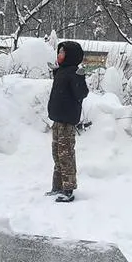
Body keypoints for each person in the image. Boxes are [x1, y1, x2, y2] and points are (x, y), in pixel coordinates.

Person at [47, 40, 88, 203]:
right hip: (57, 121)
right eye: (59, 52)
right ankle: (57, 186)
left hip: (67, 122)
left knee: (66, 155)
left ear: (70, 55)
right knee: (57, 154)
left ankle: (68, 189)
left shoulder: (74, 73)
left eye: (63, 53)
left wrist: (80, 78)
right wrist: (56, 72)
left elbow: (81, 94)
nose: (59, 55)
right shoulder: (62, 71)